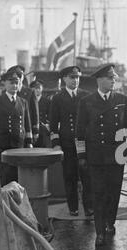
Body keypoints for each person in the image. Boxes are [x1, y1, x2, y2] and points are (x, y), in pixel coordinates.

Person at [76, 63, 127, 247]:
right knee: (98, 194)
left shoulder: (121, 100)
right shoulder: (86, 102)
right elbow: (79, 132)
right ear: (100, 80)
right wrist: (82, 156)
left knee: (114, 193)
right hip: (96, 157)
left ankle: (110, 222)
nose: (113, 80)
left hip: (116, 156)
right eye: (110, 78)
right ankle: (100, 232)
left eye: (114, 77)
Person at [49, 66, 92, 217]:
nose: (75, 80)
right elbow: (53, 125)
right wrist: (56, 144)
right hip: (66, 143)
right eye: (72, 77)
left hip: (83, 143)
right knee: (70, 176)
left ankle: (89, 207)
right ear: (65, 79)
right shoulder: (57, 98)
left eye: (77, 77)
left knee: (87, 175)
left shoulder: (86, 96)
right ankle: (73, 207)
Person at [0, 70, 33, 186]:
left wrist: (29, 142)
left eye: (16, 83)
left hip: (19, 145)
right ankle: (4, 202)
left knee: (18, 176)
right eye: (11, 83)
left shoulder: (23, 102)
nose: (14, 86)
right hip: (3, 144)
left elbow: (27, 125)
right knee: (4, 175)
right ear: (5, 84)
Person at [6, 65, 39, 144]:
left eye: (21, 75)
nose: (19, 77)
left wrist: (35, 132)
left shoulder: (30, 92)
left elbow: (35, 114)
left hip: (26, 130)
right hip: (9, 133)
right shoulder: (6, 93)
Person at [30, 80, 51, 148]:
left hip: (43, 129)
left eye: (39, 88)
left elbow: (50, 115)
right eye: (35, 88)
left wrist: (48, 124)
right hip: (32, 128)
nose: (37, 90)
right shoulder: (28, 100)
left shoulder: (47, 101)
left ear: (42, 89)